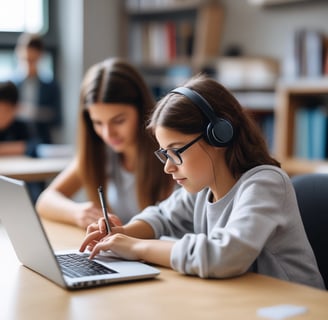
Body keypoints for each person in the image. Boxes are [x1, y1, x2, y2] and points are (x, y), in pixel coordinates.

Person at [79, 74, 325, 289]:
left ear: (219, 136)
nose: (168, 166)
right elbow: (163, 216)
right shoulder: (202, 187)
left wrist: (136, 247)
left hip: (296, 308)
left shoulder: (265, 185)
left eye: (176, 151)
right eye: (164, 153)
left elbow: (225, 255)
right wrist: (121, 234)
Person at [36, 57, 176, 229]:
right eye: (98, 123)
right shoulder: (102, 153)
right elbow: (45, 200)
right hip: (121, 252)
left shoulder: (169, 156)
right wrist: (78, 213)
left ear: (142, 110)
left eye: (118, 121)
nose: (108, 134)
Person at [12, 32, 62, 144]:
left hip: (43, 142)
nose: (27, 65)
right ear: (18, 54)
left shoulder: (51, 86)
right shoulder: (10, 86)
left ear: (40, 56)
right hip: (16, 144)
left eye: (32, 61)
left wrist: (29, 111)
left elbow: (58, 119)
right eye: (24, 60)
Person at [0, 80, 42, 203]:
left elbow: (33, 147)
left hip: (21, 180)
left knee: (33, 194)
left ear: (15, 109)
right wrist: (17, 148)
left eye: (4, 112)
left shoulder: (22, 126)